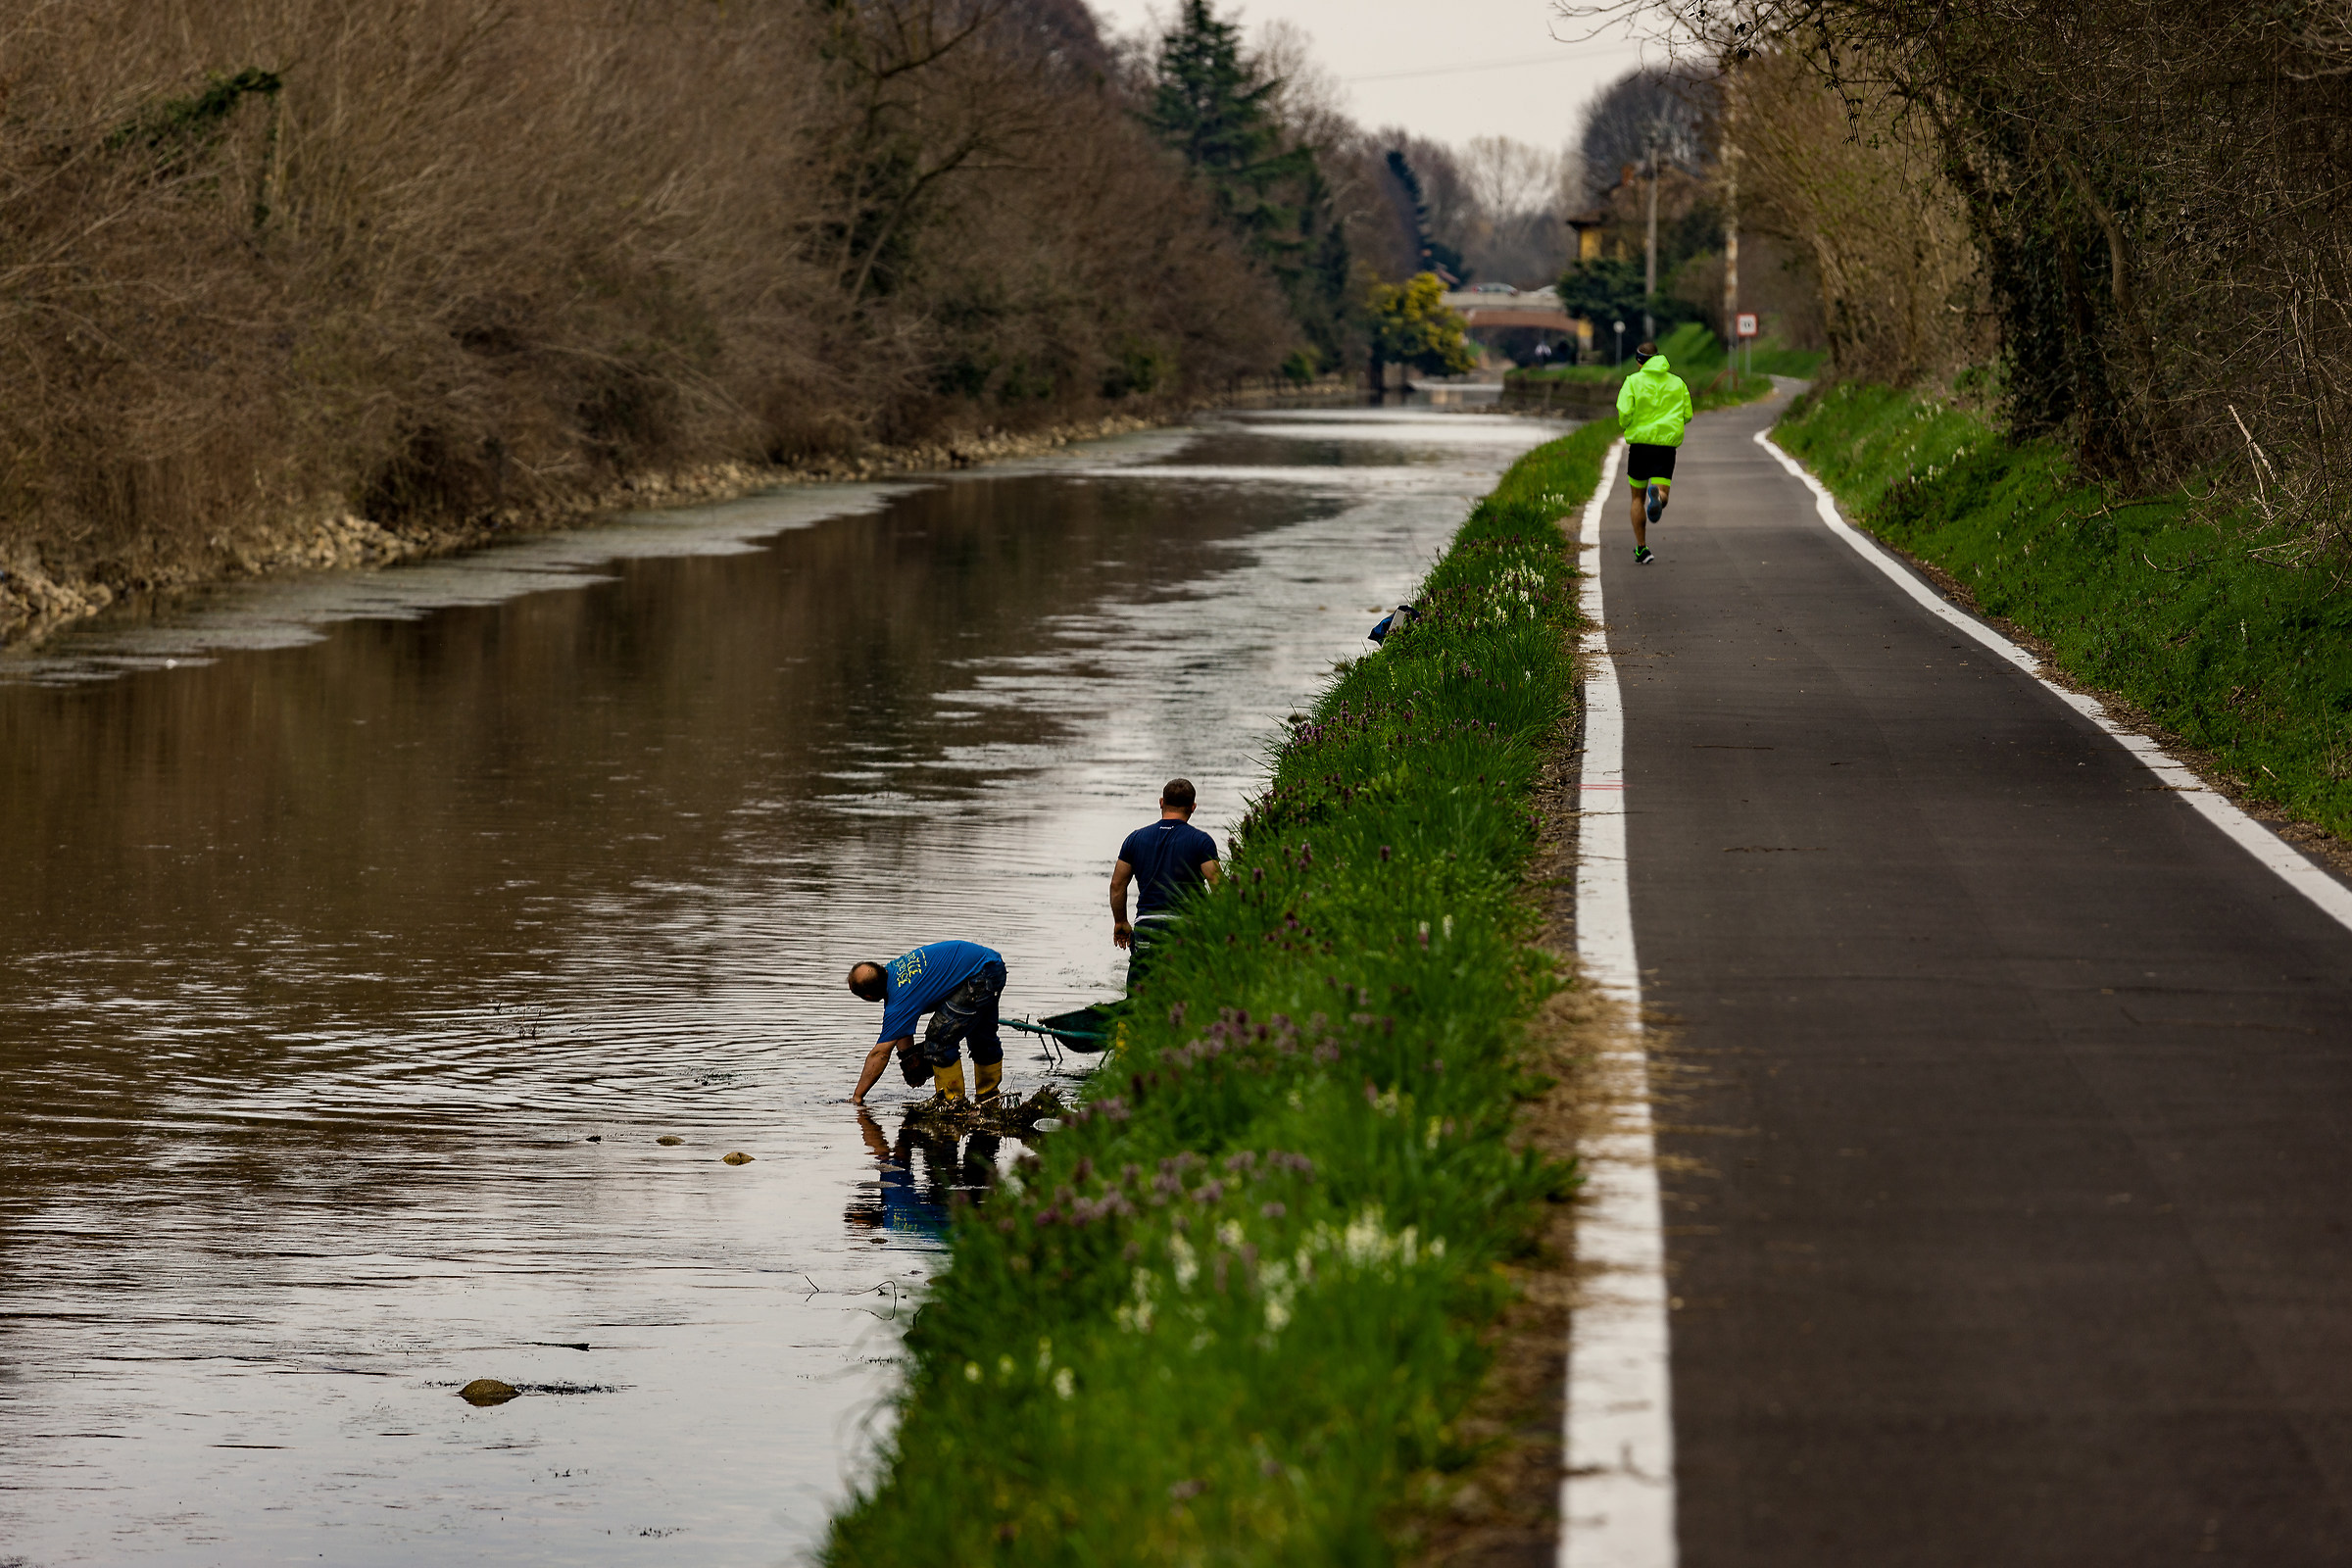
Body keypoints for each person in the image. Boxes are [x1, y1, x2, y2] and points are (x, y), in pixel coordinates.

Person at [847, 940, 1006, 1105]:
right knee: (982, 1035)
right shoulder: (893, 972)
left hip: (979, 976)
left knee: (939, 1040)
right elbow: (901, 1029)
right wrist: (910, 1061)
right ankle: (989, 1098)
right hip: (990, 964)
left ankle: (952, 1103)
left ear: (869, 997)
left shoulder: (899, 1001)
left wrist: (857, 1096)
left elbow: (879, 1054)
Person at [1109, 778, 1221, 989]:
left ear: (1161, 802)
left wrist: (1121, 922)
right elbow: (1219, 886)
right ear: (1193, 807)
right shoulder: (1201, 841)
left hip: (1147, 927)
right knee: (1186, 991)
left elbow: (1117, 885)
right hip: (1187, 928)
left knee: (1140, 995)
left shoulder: (1134, 839)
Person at [1615, 339, 1693, 565]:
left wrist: (1629, 424)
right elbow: (1687, 414)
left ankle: (1642, 548)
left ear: (1639, 362)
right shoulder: (1677, 383)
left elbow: (1624, 413)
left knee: (1636, 498)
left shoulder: (1632, 382)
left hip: (1640, 446)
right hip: (1665, 448)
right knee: (1661, 490)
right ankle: (1659, 497)